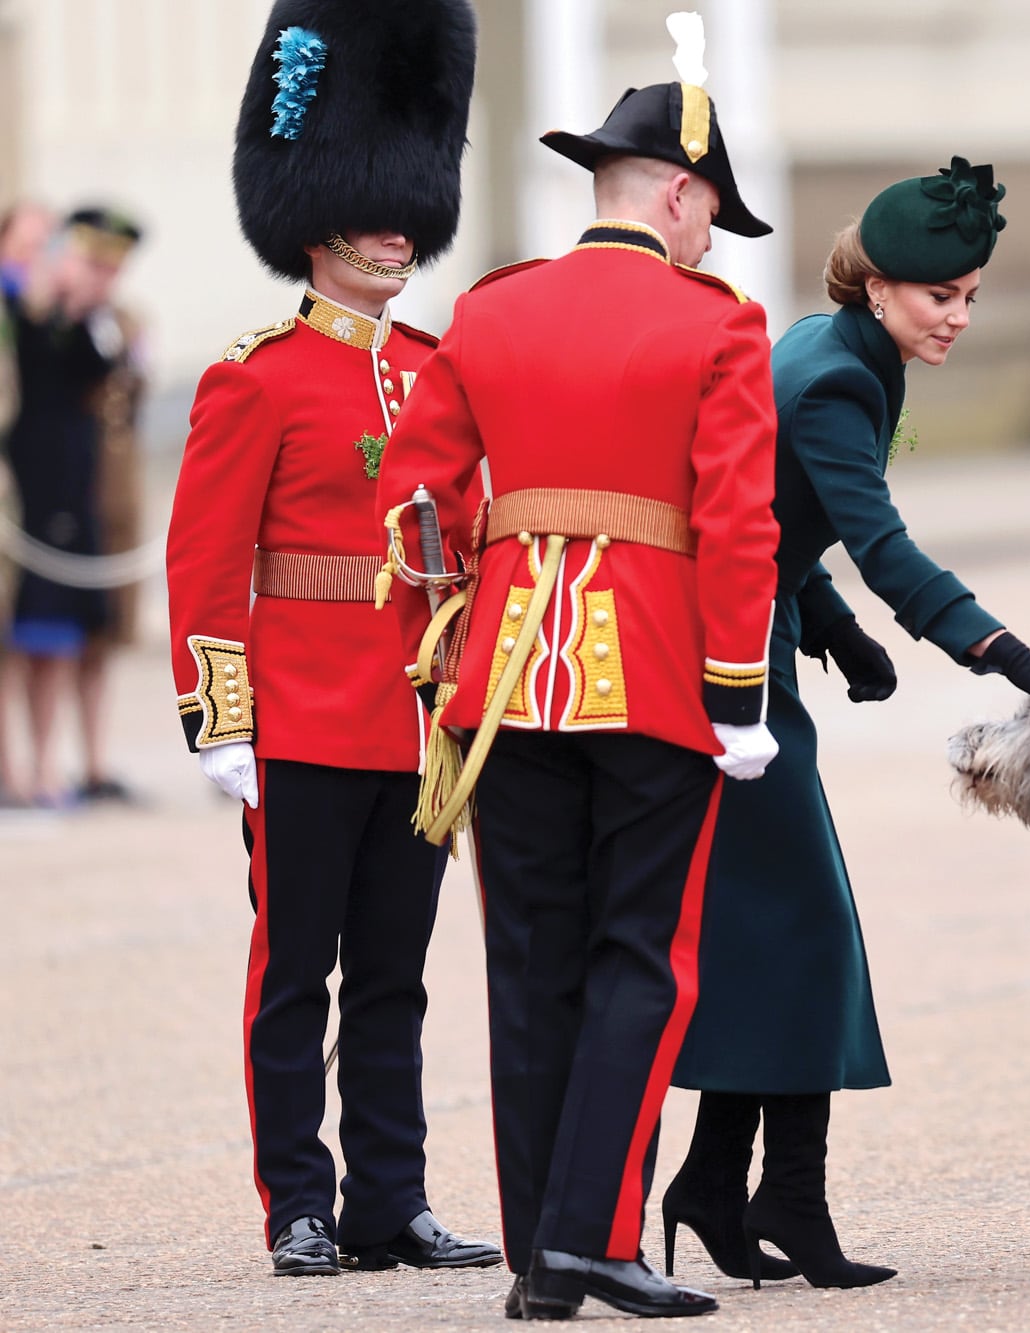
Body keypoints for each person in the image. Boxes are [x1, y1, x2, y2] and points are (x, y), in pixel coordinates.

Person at [375, 15, 781, 1319]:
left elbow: (416, 511)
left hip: (503, 686)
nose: (711, 240)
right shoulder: (718, 321)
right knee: (639, 962)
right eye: (710, 213)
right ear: (676, 194)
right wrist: (739, 698)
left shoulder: (486, 311)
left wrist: (436, 666)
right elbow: (736, 523)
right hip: (657, 676)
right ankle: (592, 1238)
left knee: (530, 963)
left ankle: (540, 1255)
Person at [660, 158, 1030, 1291]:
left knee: (776, 925)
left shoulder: (839, 347)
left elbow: (763, 504)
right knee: (804, 920)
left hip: (747, 623)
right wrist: (1008, 658)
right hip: (720, 653)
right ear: (876, 285)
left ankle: (720, 1183)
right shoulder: (839, 378)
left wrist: (825, 620)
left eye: (968, 295)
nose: (956, 317)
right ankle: (781, 1200)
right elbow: (883, 541)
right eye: (935, 296)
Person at [164, 0, 499, 1280]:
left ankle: (391, 1201)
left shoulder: (431, 366)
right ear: (316, 215)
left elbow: (462, 543)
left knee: (397, 984)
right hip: (301, 713)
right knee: (294, 977)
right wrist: (221, 716)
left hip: (412, 721)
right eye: (371, 206)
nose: (395, 228)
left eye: (406, 204)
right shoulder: (254, 375)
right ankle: (298, 1201)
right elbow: (206, 565)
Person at [1, 207, 141, 806]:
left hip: (67, 493)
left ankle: (46, 767)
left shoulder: (74, 318)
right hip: (18, 496)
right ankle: (13, 773)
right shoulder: (18, 314)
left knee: (57, 639)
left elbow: (103, 371)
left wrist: (79, 307)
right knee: (13, 639)